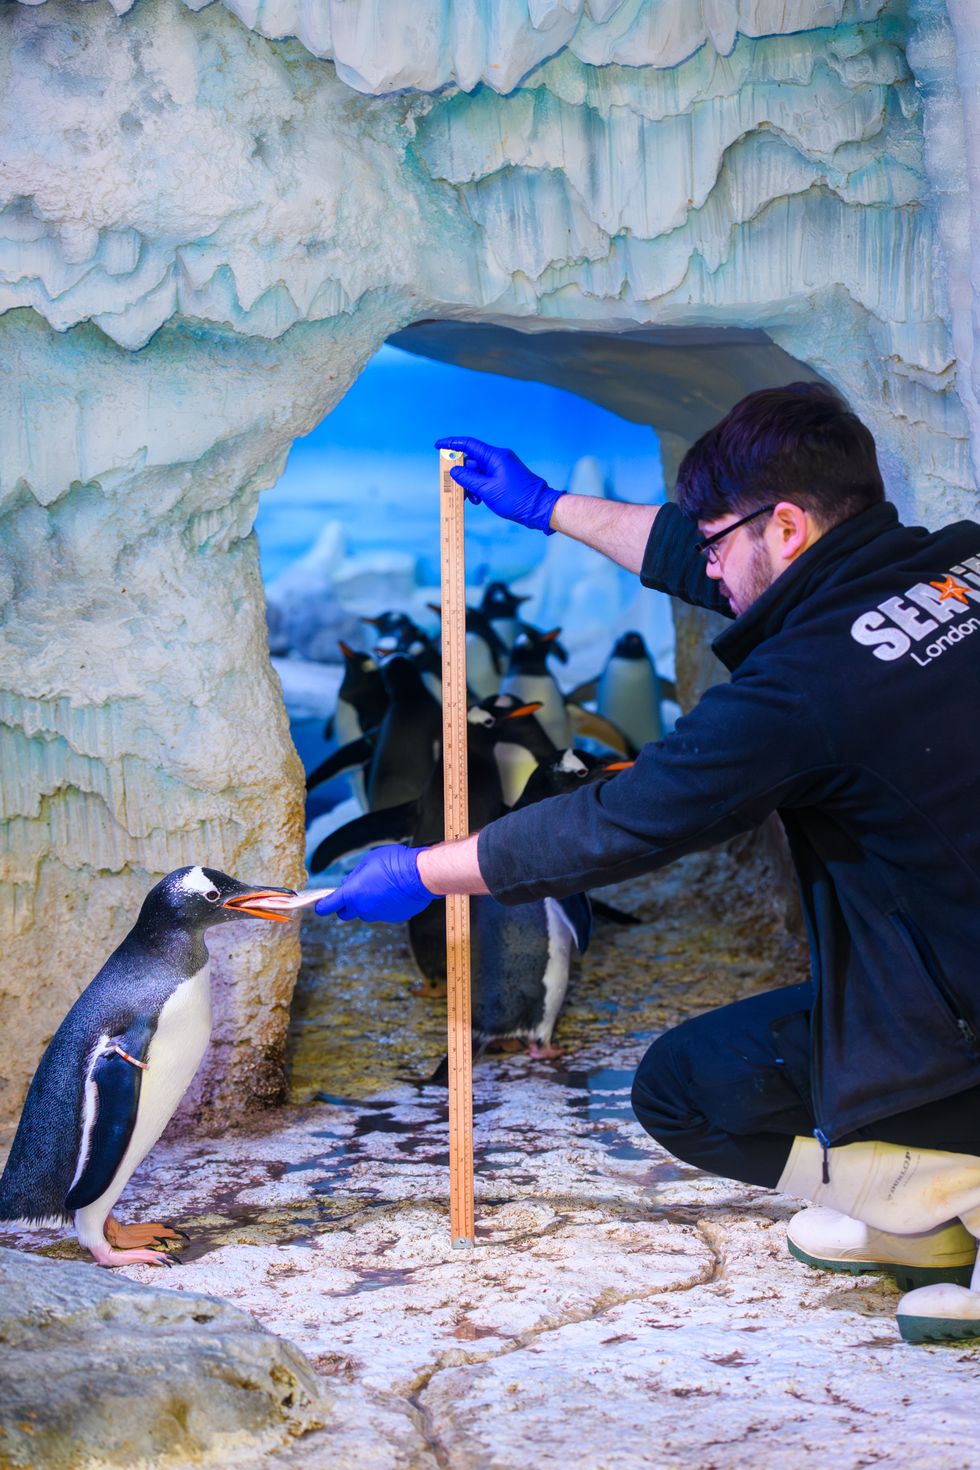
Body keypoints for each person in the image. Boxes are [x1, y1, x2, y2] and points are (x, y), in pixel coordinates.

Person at [316, 383, 980, 1344]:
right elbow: (715, 569)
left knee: (691, 1092)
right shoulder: (960, 560)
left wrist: (424, 872)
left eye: (715, 542)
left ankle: (946, 1190)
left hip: (965, 1014)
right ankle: (924, 1204)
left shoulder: (804, 689)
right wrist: (548, 508)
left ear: (787, 527)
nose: (706, 568)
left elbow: (625, 821)